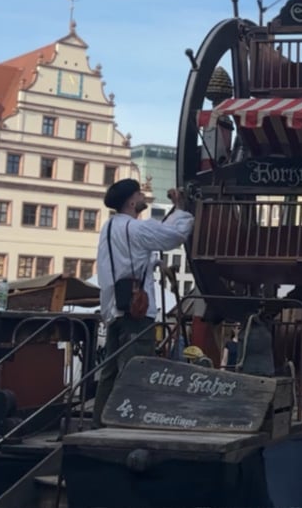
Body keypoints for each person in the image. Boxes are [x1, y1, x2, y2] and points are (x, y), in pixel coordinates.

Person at [92, 180, 194, 427]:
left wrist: (155, 263)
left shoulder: (109, 228)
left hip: (114, 307)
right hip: (136, 310)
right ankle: (128, 422)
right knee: (137, 368)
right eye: (139, 194)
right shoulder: (135, 228)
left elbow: (127, 260)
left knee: (110, 371)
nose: (142, 197)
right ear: (131, 201)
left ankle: (99, 422)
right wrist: (181, 209)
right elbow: (173, 236)